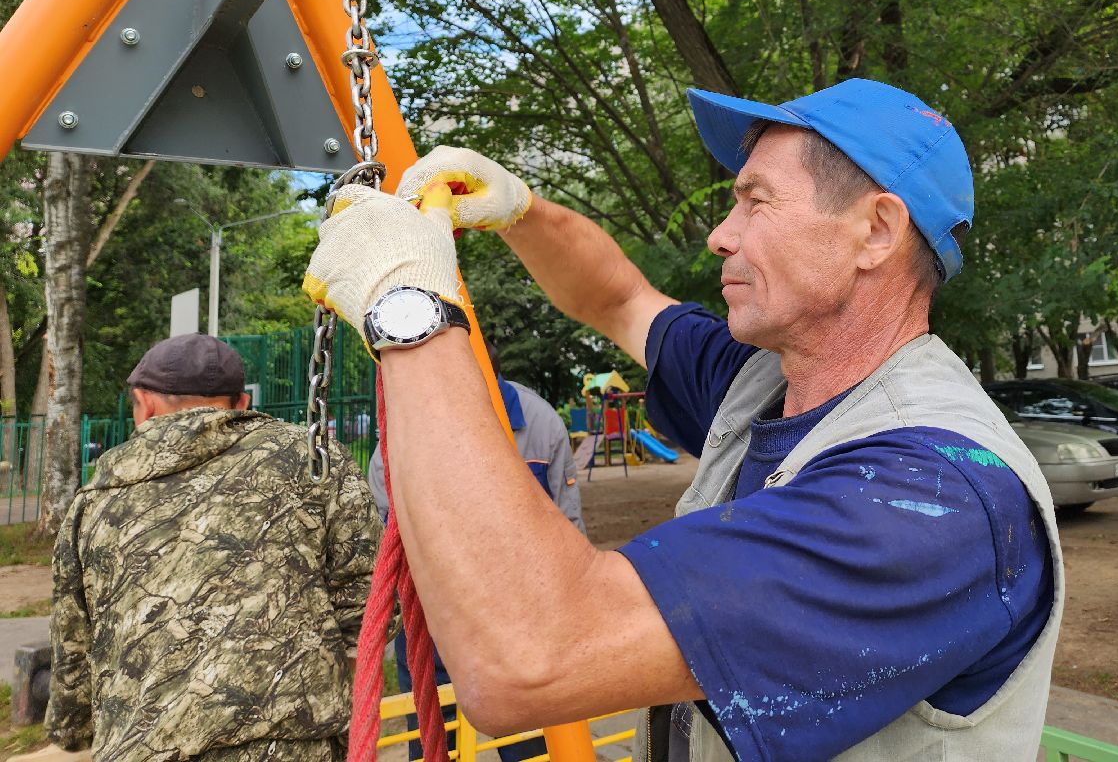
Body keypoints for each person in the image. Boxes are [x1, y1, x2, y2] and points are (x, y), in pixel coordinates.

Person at [304, 78, 1064, 761]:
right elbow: (618, 299)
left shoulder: (933, 493)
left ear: (876, 231)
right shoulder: (766, 383)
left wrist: (406, 304)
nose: (721, 234)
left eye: (756, 201)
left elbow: (529, 654)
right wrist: (521, 211)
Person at [46, 334, 380, 762]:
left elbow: (73, 640)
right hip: (291, 743)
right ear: (242, 404)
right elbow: (369, 594)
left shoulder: (93, 503)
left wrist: (72, 728)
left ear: (144, 404)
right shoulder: (313, 460)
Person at [368, 343, 584, 762]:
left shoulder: (539, 425)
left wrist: (567, 606)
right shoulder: (404, 430)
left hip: (520, 615)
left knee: (530, 737)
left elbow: (567, 522)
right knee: (433, 735)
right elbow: (387, 531)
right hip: (435, 615)